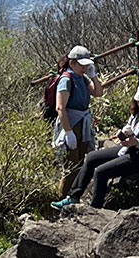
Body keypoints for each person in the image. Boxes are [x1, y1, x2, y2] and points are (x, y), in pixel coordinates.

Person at [53, 80, 139, 209]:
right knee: (91, 158)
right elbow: (131, 127)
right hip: (130, 148)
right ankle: (73, 197)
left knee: (101, 172)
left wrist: (137, 142)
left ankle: (95, 208)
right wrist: (123, 133)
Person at [53, 45, 105, 195]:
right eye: (81, 65)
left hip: (82, 123)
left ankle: (73, 196)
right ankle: (63, 197)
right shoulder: (66, 79)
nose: (84, 68)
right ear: (72, 63)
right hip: (70, 123)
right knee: (71, 165)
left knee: (81, 162)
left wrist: (93, 75)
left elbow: (98, 92)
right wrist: (68, 132)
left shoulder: (83, 78)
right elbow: (60, 108)